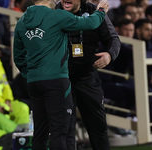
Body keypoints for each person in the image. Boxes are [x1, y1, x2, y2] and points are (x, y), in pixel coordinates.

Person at [13, 0, 109, 149]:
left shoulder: (22, 21)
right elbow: (90, 23)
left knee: (40, 132)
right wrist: (101, 11)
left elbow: (18, 57)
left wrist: (31, 74)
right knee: (59, 132)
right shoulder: (58, 16)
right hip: (56, 82)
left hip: (34, 83)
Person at [56, 0, 120, 149]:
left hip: (88, 77)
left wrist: (109, 55)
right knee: (65, 130)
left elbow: (113, 39)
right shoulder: (52, 11)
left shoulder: (94, 11)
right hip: (61, 80)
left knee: (98, 127)